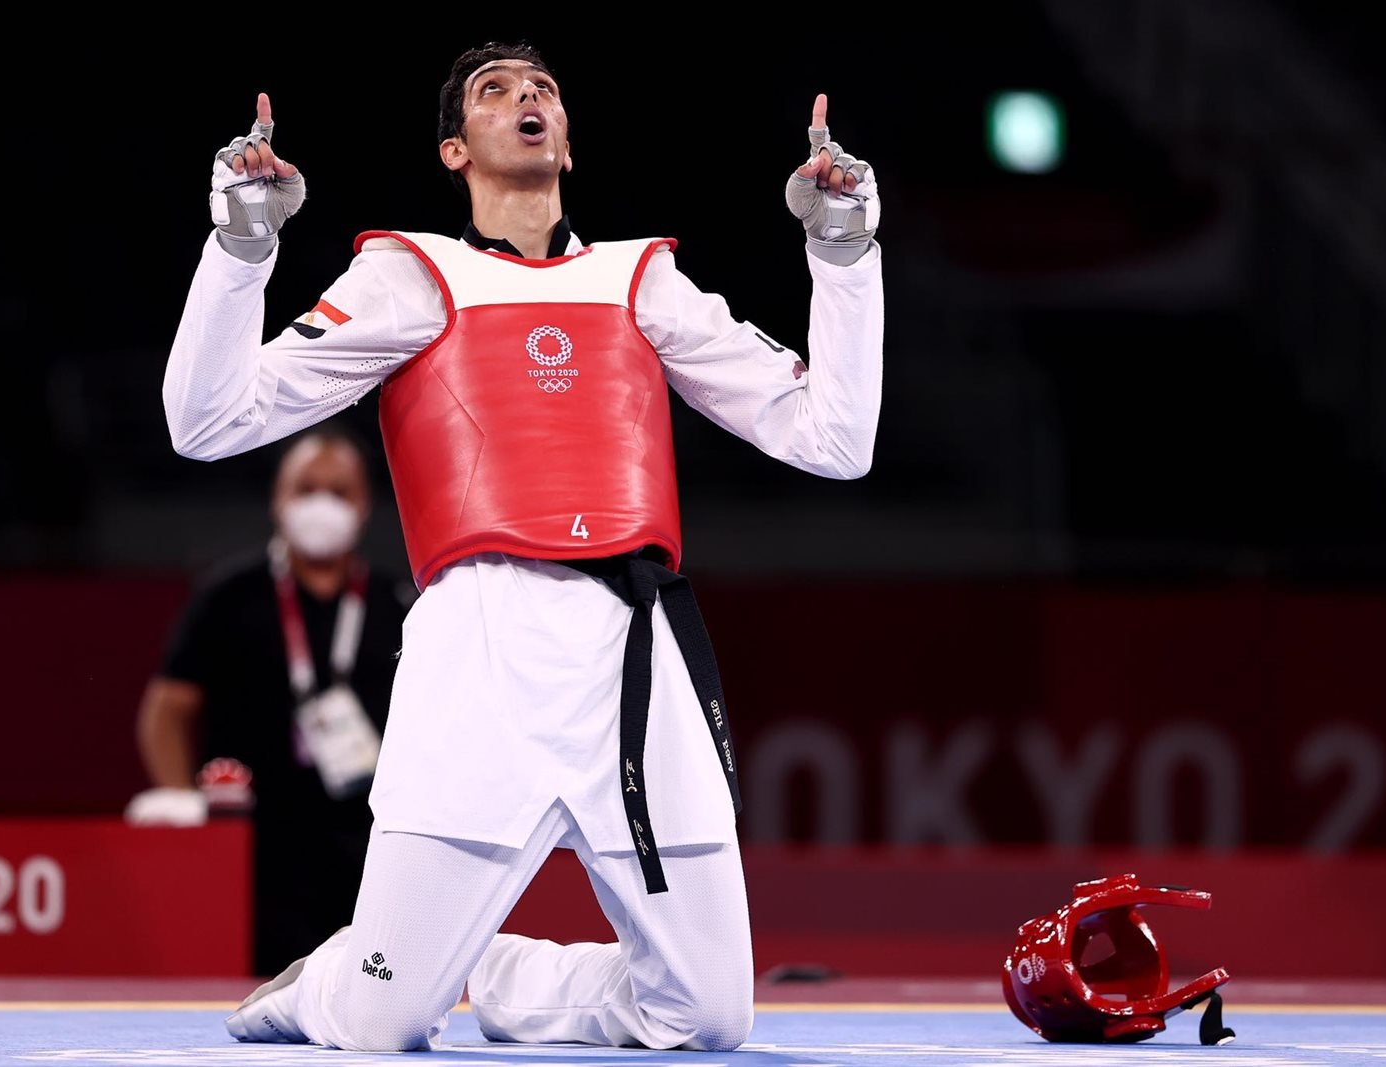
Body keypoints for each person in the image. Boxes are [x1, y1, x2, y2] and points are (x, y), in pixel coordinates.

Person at [162, 40, 882, 1052]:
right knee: (383, 1021)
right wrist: (241, 249)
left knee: (707, 1014)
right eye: (493, 92)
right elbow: (206, 422)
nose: (524, 98)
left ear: (567, 141)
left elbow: (835, 441)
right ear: (455, 150)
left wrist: (843, 258)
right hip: (483, 641)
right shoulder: (407, 274)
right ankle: (335, 977)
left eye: (541, 88)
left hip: (633, 648)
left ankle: (500, 970)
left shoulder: (644, 279)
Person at [127, 428, 412, 975]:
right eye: (306, 489)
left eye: (339, 491)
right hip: (255, 846)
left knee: (359, 988)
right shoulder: (227, 596)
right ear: (279, 499)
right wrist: (182, 799)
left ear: (364, 504)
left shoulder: (399, 603)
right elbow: (166, 710)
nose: (322, 504)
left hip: (366, 843)